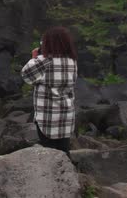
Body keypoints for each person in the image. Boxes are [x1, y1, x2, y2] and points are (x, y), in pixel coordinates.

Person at [21, 26, 78, 156]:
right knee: (64, 151)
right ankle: (68, 174)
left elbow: (26, 76)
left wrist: (34, 57)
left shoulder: (44, 61)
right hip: (66, 115)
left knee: (50, 154)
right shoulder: (72, 61)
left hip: (47, 118)